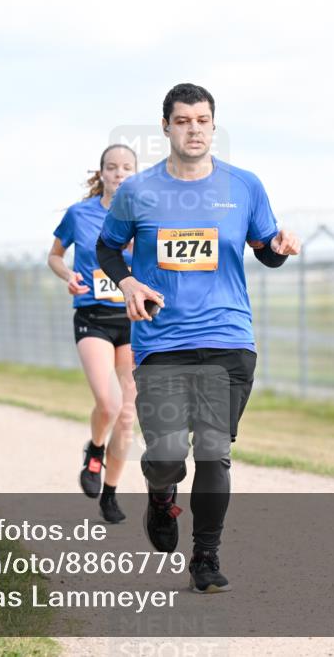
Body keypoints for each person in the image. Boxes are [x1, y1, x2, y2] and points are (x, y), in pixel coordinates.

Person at [97, 83, 300, 592]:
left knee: (213, 450)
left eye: (203, 120)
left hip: (228, 337)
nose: (194, 129)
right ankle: (161, 496)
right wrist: (128, 282)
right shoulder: (138, 191)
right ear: (166, 126)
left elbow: (264, 248)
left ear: (213, 125)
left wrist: (278, 248)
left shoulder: (244, 186)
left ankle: (206, 557)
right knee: (167, 455)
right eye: (183, 120)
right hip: (162, 342)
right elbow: (107, 249)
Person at [49, 145, 139, 524]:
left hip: (134, 320)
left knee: (128, 417)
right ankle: (96, 450)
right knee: (109, 404)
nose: (119, 174)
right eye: (112, 168)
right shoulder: (80, 213)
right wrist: (68, 275)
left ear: (135, 175)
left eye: (127, 168)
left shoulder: (145, 217)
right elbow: (54, 255)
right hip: (93, 317)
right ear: (101, 173)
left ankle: (111, 494)